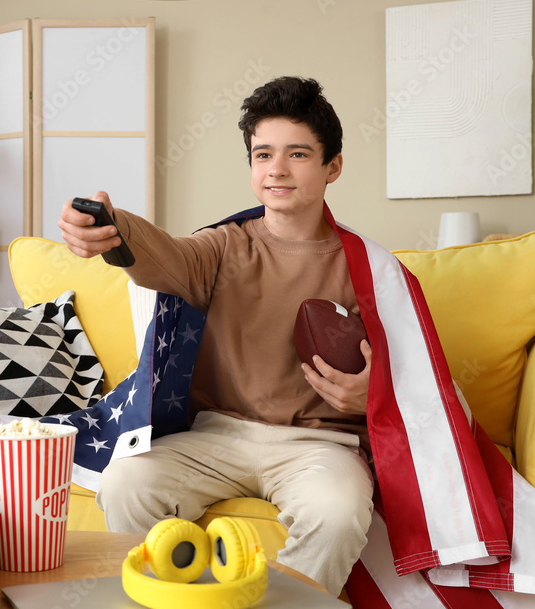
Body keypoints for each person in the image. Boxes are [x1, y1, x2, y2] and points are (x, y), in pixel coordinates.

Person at [57, 76, 374, 596]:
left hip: (319, 445)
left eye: (297, 154)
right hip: (216, 436)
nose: (276, 168)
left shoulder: (369, 270)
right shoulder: (223, 247)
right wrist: (113, 228)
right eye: (262, 154)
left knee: (338, 513)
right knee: (125, 483)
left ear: (331, 166)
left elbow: (417, 378)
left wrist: (371, 394)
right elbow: (166, 255)